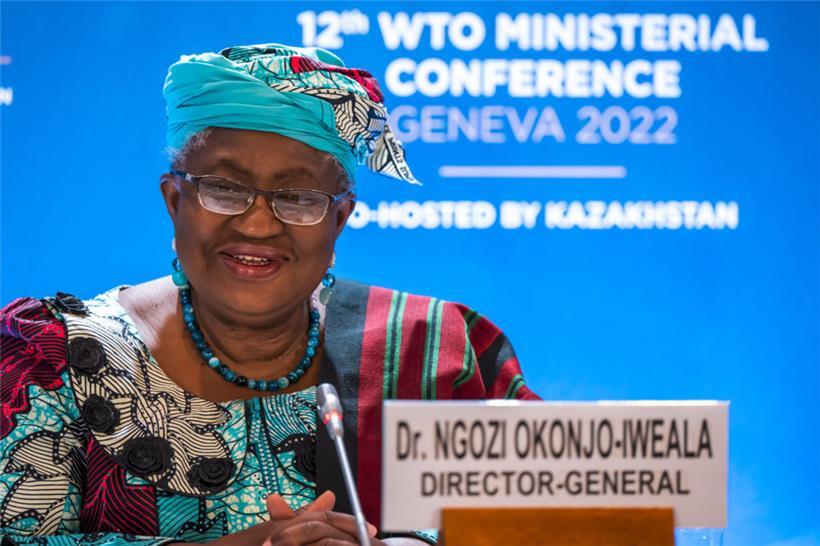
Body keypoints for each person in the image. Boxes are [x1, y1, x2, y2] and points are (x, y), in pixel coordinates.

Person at [0, 43, 538, 545]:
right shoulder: (51, 360)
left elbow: (555, 525)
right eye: (224, 189)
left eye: (299, 197)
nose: (257, 226)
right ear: (174, 200)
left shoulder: (436, 354)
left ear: (340, 218)